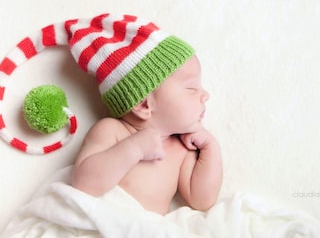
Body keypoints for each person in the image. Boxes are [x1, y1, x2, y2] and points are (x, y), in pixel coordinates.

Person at [69, 14, 223, 215]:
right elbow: (84, 184)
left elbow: (202, 200)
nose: (205, 95)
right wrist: (135, 148)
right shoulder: (112, 131)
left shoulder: (181, 148)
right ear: (143, 105)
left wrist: (211, 147)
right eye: (191, 88)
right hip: (101, 221)